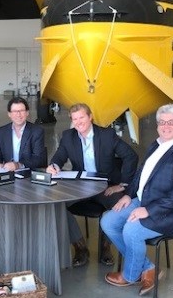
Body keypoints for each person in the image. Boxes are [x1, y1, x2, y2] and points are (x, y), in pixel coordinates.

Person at [101, 103, 173, 296]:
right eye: (162, 122)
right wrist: (127, 195)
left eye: (171, 122)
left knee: (131, 230)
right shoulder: (156, 145)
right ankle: (147, 267)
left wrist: (149, 210)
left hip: (170, 212)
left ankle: (130, 276)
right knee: (108, 221)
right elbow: (140, 177)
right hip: (144, 201)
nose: (166, 126)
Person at [46, 103, 138, 267]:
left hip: (106, 186)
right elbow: (59, 156)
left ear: (90, 117)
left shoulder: (107, 135)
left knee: (121, 206)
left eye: (82, 117)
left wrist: (123, 184)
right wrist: (54, 166)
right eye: (75, 119)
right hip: (80, 185)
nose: (79, 122)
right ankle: (80, 246)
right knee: (55, 205)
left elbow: (131, 156)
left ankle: (105, 247)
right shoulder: (68, 136)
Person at [0, 96, 47, 170]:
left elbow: (39, 159)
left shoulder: (37, 131)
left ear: (27, 113)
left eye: (21, 111)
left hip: (28, 174)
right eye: (14, 111)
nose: (18, 114)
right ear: (9, 114)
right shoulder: (1, 132)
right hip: (8, 174)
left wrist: (18, 165)